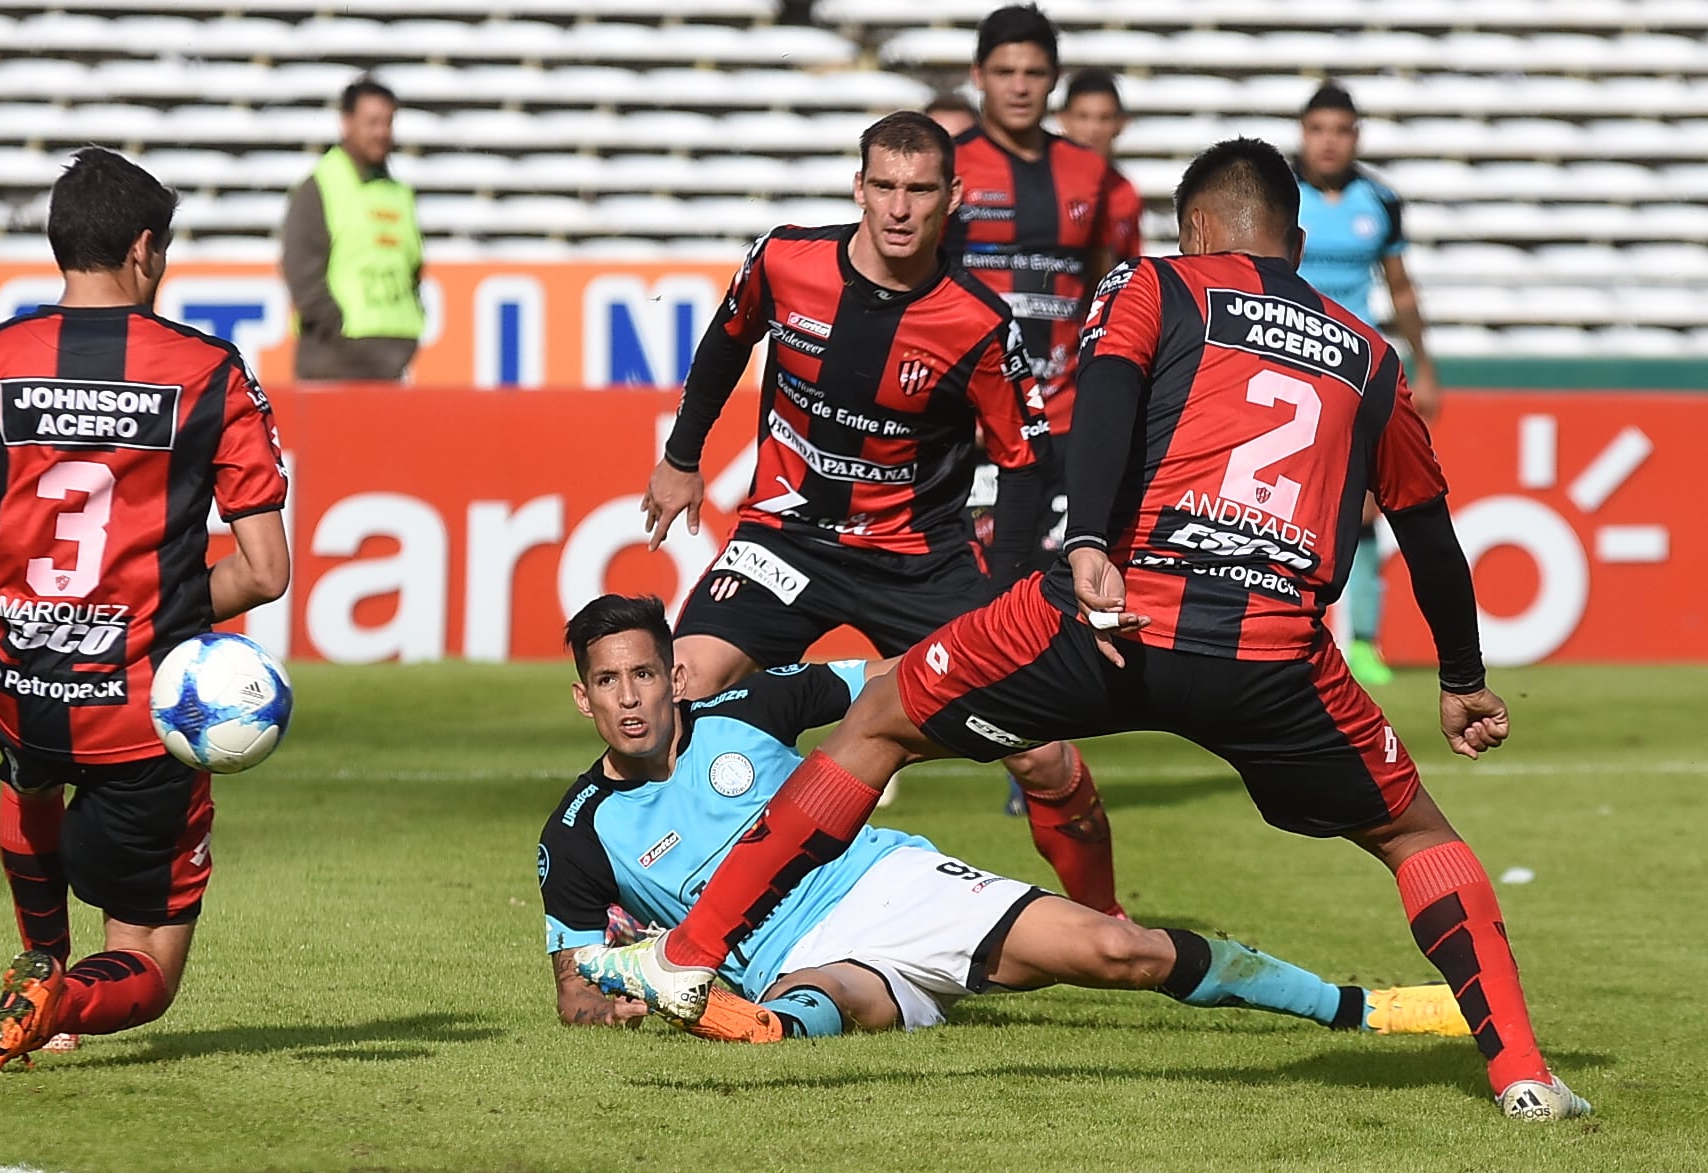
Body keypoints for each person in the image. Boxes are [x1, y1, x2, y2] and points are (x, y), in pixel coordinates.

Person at [578, 139, 1590, 1122]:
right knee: (1417, 834)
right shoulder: (1371, 355)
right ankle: (1523, 1072)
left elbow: (1101, 398)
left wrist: (1094, 534)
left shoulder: (1159, 284)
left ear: (1195, 226)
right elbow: (1427, 526)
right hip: (1274, 649)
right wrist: (1462, 675)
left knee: (880, 717)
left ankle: (686, 952)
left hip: (1117, 612)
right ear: (1291, 235)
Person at [548, 595, 1470, 1044]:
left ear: (674, 675)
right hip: (795, 965)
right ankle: (760, 1025)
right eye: (606, 682)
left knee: (1127, 954)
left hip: (887, 885)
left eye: (642, 675)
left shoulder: (747, 710)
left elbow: (890, 682)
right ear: (583, 700)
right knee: (807, 1014)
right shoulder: (576, 832)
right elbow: (575, 992)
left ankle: (1360, 1010)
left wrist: (1007, 670)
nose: (630, 699)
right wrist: (616, 1003)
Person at [0, 147, 291, 1076]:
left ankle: (41, 963)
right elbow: (263, 572)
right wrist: (159, 607)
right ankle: (58, 996)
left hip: (21, 684)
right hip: (143, 710)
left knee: (29, 780)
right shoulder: (208, 371)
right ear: (145, 250)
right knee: (146, 965)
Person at [640, 110, 1121, 917]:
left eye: (920, 190)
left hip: (919, 561)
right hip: (785, 541)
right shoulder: (785, 260)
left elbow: (1025, 464)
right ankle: (657, 903)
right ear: (858, 186)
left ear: (952, 197)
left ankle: (1107, 923)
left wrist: (1003, 597)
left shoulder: (977, 323)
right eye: (886, 187)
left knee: (1041, 757)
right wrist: (682, 457)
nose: (899, 208)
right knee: (672, 700)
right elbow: (728, 340)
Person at [949, 8, 1129, 830]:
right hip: (956, 423)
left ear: (1052, 81)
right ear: (980, 75)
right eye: (1005, 70)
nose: (1019, 86)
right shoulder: (946, 169)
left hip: (1054, 419)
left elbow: (1106, 292)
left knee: (1042, 594)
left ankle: (1036, 754)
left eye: (1034, 72)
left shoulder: (1094, 180)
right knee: (951, 588)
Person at [1296, 81, 1440, 687]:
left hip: (1357, 371)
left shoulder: (1379, 200)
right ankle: (1297, 633)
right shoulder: (1280, 193)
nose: (1330, 142)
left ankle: (1363, 641)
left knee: (1365, 511)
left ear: (1356, 136)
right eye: (1319, 129)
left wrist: (1423, 365)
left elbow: (1401, 288)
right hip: (1290, 366)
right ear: (1304, 133)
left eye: (1342, 130)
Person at [280, 78, 424, 381]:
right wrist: (337, 327)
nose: (382, 132)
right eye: (372, 122)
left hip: (392, 362)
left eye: (388, 122)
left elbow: (412, 268)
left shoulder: (400, 193)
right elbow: (301, 270)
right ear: (345, 123)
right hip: (334, 364)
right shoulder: (320, 186)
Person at [1057, 69, 1142, 263]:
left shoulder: (1125, 192)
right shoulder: (1044, 180)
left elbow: (1132, 265)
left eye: (1104, 118)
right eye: (1083, 117)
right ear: (1062, 119)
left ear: (1121, 124)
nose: (1093, 129)